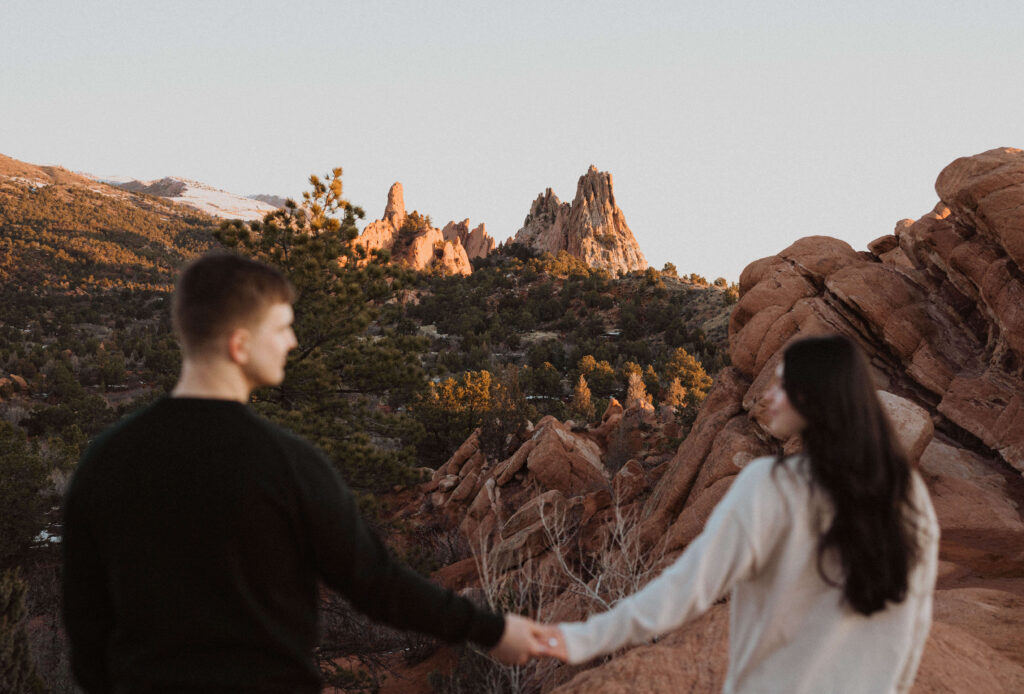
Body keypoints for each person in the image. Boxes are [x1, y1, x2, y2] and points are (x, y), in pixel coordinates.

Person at [62, 253, 543, 693]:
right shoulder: (287, 463)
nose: (293, 341)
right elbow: (376, 585)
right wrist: (491, 630)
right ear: (240, 343)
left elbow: (85, 625)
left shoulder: (104, 460)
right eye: (281, 329)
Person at [535, 334, 940, 694]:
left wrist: (574, 639)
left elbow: (682, 590)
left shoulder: (769, 483)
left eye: (783, 385)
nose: (766, 395)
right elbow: (909, 627)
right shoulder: (906, 498)